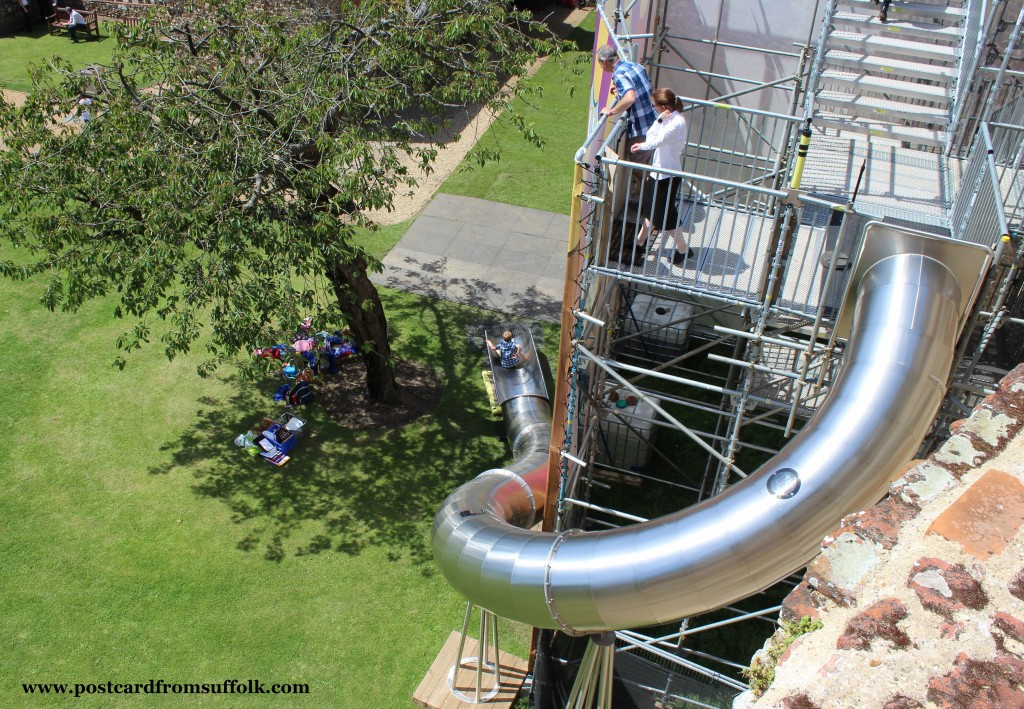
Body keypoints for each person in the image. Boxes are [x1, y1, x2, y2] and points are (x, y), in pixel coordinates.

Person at [629, 88, 692, 266]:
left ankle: (682, 249)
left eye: (655, 106)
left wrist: (641, 147)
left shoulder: (676, 122)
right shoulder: (667, 119)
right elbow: (651, 135)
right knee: (653, 209)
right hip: (659, 172)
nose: (655, 108)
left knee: (662, 215)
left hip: (667, 175)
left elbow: (658, 141)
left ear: (664, 106)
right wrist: (658, 120)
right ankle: (640, 242)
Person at [596, 45, 658, 155]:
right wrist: (620, 90)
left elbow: (630, 98)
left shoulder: (619, 75)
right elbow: (646, 85)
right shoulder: (634, 65)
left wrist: (611, 111)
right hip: (654, 120)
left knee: (638, 166)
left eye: (599, 62)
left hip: (642, 128)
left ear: (605, 62)